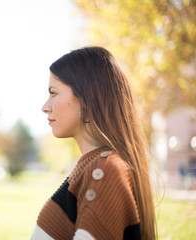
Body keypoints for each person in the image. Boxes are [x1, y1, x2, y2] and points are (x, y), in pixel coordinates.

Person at [31, 46, 156, 240]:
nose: (45, 107)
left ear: (87, 99)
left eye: (53, 93)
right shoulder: (91, 167)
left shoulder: (104, 170)